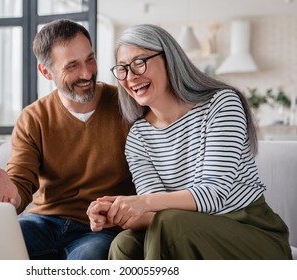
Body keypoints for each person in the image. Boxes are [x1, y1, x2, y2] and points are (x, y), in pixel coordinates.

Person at [86, 24, 292, 260]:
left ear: (169, 59)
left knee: (172, 223)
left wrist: (141, 202)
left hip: (251, 231)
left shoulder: (222, 103)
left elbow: (214, 193)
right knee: (125, 243)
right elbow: (153, 213)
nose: (131, 76)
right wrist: (116, 212)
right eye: (122, 69)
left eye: (139, 62)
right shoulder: (138, 137)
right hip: (184, 228)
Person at [0, 19, 135, 260]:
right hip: (43, 222)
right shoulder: (34, 117)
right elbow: (21, 181)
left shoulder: (127, 106)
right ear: (46, 71)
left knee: (89, 258)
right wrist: (12, 191)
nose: (87, 73)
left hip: (100, 229)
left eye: (90, 59)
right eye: (72, 66)